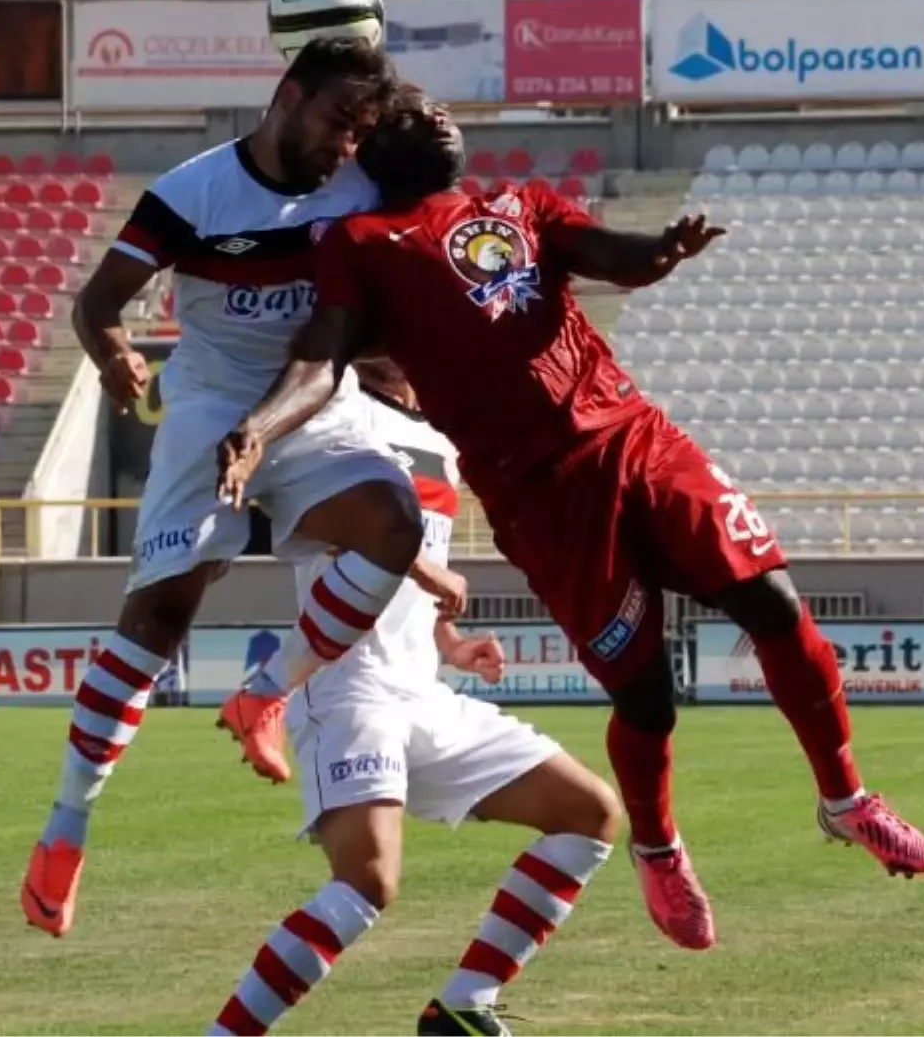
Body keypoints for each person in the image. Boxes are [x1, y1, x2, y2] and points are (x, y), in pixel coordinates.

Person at [215, 92, 924, 954]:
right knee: (646, 696)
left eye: (441, 110)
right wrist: (259, 426)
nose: (440, 118)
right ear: (375, 148)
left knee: (774, 603)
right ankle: (659, 848)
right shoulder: (362, 244)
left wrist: (659, 252)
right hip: (540, 496)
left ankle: (846, 798)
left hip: (635, 437)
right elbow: (320, 351)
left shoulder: (522, 206)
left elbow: (609, 255)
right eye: (415, 114)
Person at [21, 40, 442, 939]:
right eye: (337, 122)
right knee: (160, 620)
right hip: (210, 409)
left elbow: (345, 324)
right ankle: (66, 827)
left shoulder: (361, 188)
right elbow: (95, 304)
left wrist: (380, 359)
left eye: (360, 131)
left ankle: (265, 693)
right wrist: (115, 354)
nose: (345, 145)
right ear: (288, 97)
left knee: (394, 520)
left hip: (312, 406)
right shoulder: (192, 192)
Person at [209, 358, 620, 1037]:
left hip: (421, 689)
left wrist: (449, 642)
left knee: (589, 812)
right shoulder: (331, 402)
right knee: (367, 883)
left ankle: (463, 1006)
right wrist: (427, 568)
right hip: (346, 687)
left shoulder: (440, 433)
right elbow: (315, 522)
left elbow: (406, 570)